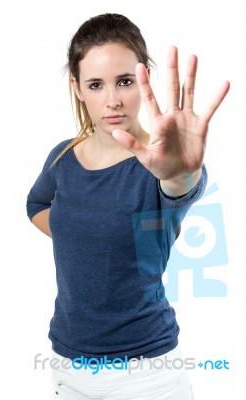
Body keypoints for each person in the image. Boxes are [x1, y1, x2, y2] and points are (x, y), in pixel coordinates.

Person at [26, 13, 230, 400]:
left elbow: (181, 186)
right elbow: (36, 203)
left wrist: (184, 171)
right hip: (67, 369)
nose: (113, 99)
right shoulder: (62, 159)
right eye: (96, 85)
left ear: (144, 79)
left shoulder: (161, 162)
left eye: (124, 81)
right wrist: (82, 232)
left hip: (148, 375)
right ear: (77, 88)